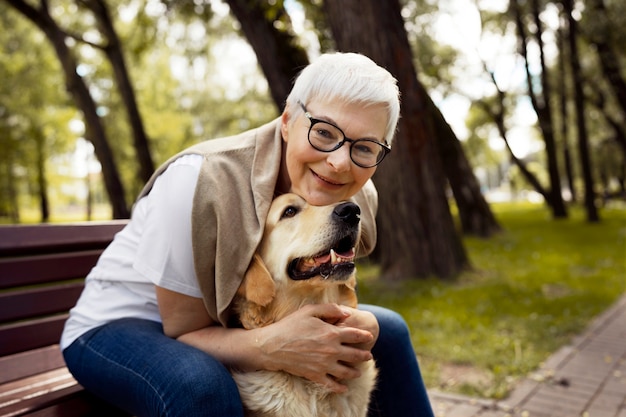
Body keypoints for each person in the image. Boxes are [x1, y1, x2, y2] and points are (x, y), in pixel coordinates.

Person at [61, 52, 435, 417]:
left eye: (364, 147)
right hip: (122, 326)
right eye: (324, 132)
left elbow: (324, 278)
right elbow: (183, 331)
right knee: (201, 385)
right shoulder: (197, 181)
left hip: (228, 321)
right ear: (288, 120)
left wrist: (359, 323)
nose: (339, 162)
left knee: (389, 330)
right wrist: (270, 346)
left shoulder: (357, 193)